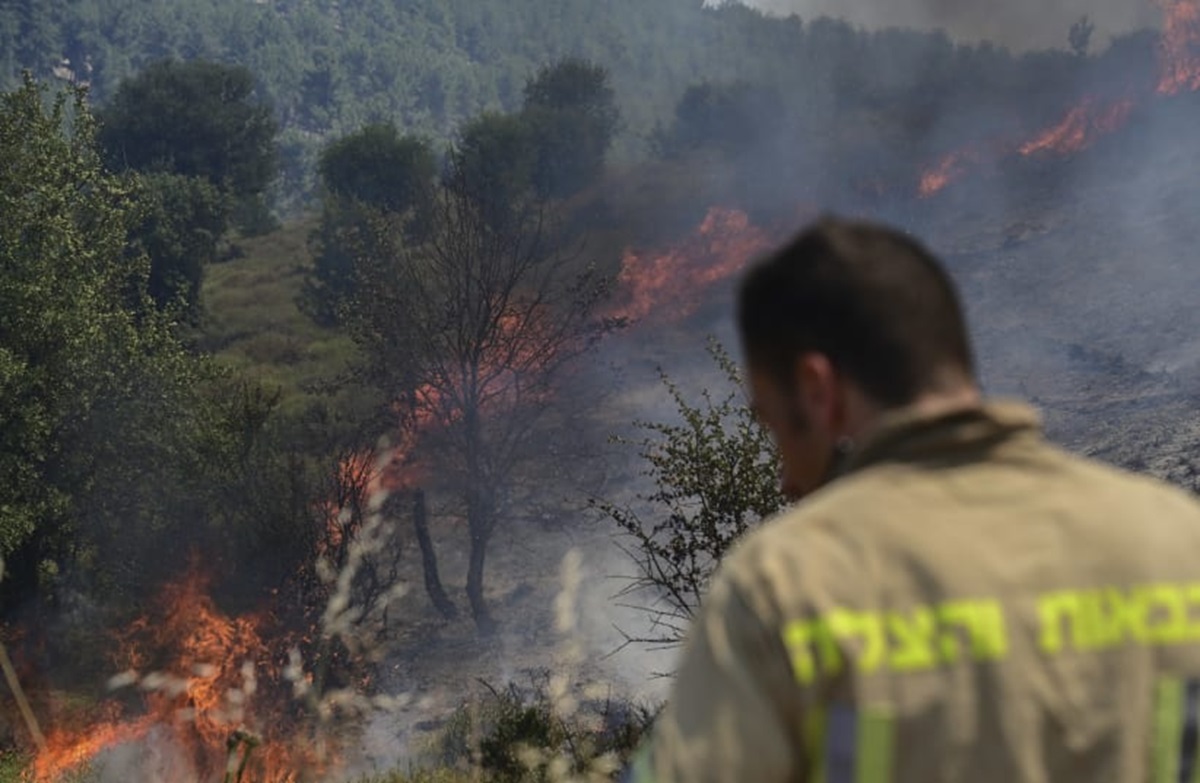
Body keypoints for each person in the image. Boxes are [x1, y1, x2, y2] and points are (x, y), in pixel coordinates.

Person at [621, 215, 1200, 782]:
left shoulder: (787, 586)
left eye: (772, 426)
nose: (785, 482)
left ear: (819, 390)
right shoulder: (1177, 540)